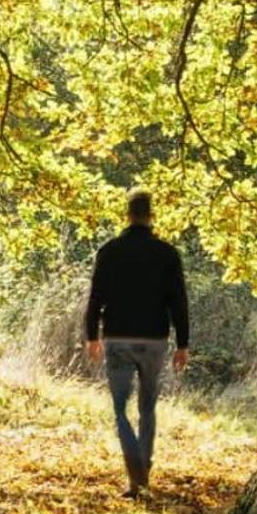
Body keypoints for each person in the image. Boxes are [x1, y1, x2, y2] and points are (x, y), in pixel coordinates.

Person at [84, 187, 190, 497]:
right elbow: (178, 302)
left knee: (120, 409)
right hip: (154, 340)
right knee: (148, 407)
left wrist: (92, 336)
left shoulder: (109, 251)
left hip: (118, 337)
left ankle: (135, 471)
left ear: (128, 215)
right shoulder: (167, 253)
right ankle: (143, 469)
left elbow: (95, 298)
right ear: (151, 215)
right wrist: (183, 344)